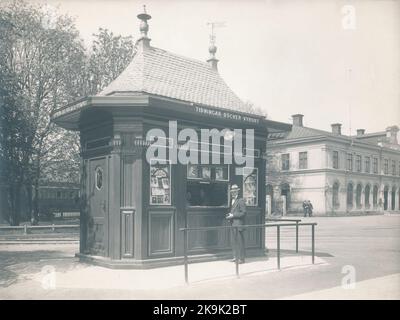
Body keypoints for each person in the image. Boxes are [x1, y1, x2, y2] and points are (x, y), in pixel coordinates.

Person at [226, 184, 247, 264]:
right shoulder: (232, 200)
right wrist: (229, 215)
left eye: (234, 192)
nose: (233, 193)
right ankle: (235, 257)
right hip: (233, 224)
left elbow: (244, 213)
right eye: (232, 192)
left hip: (238, 224)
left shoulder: (241, 200)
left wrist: (233, 215)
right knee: (233, 241)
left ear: (237, 192)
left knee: (240, 242)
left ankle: (241, 259)